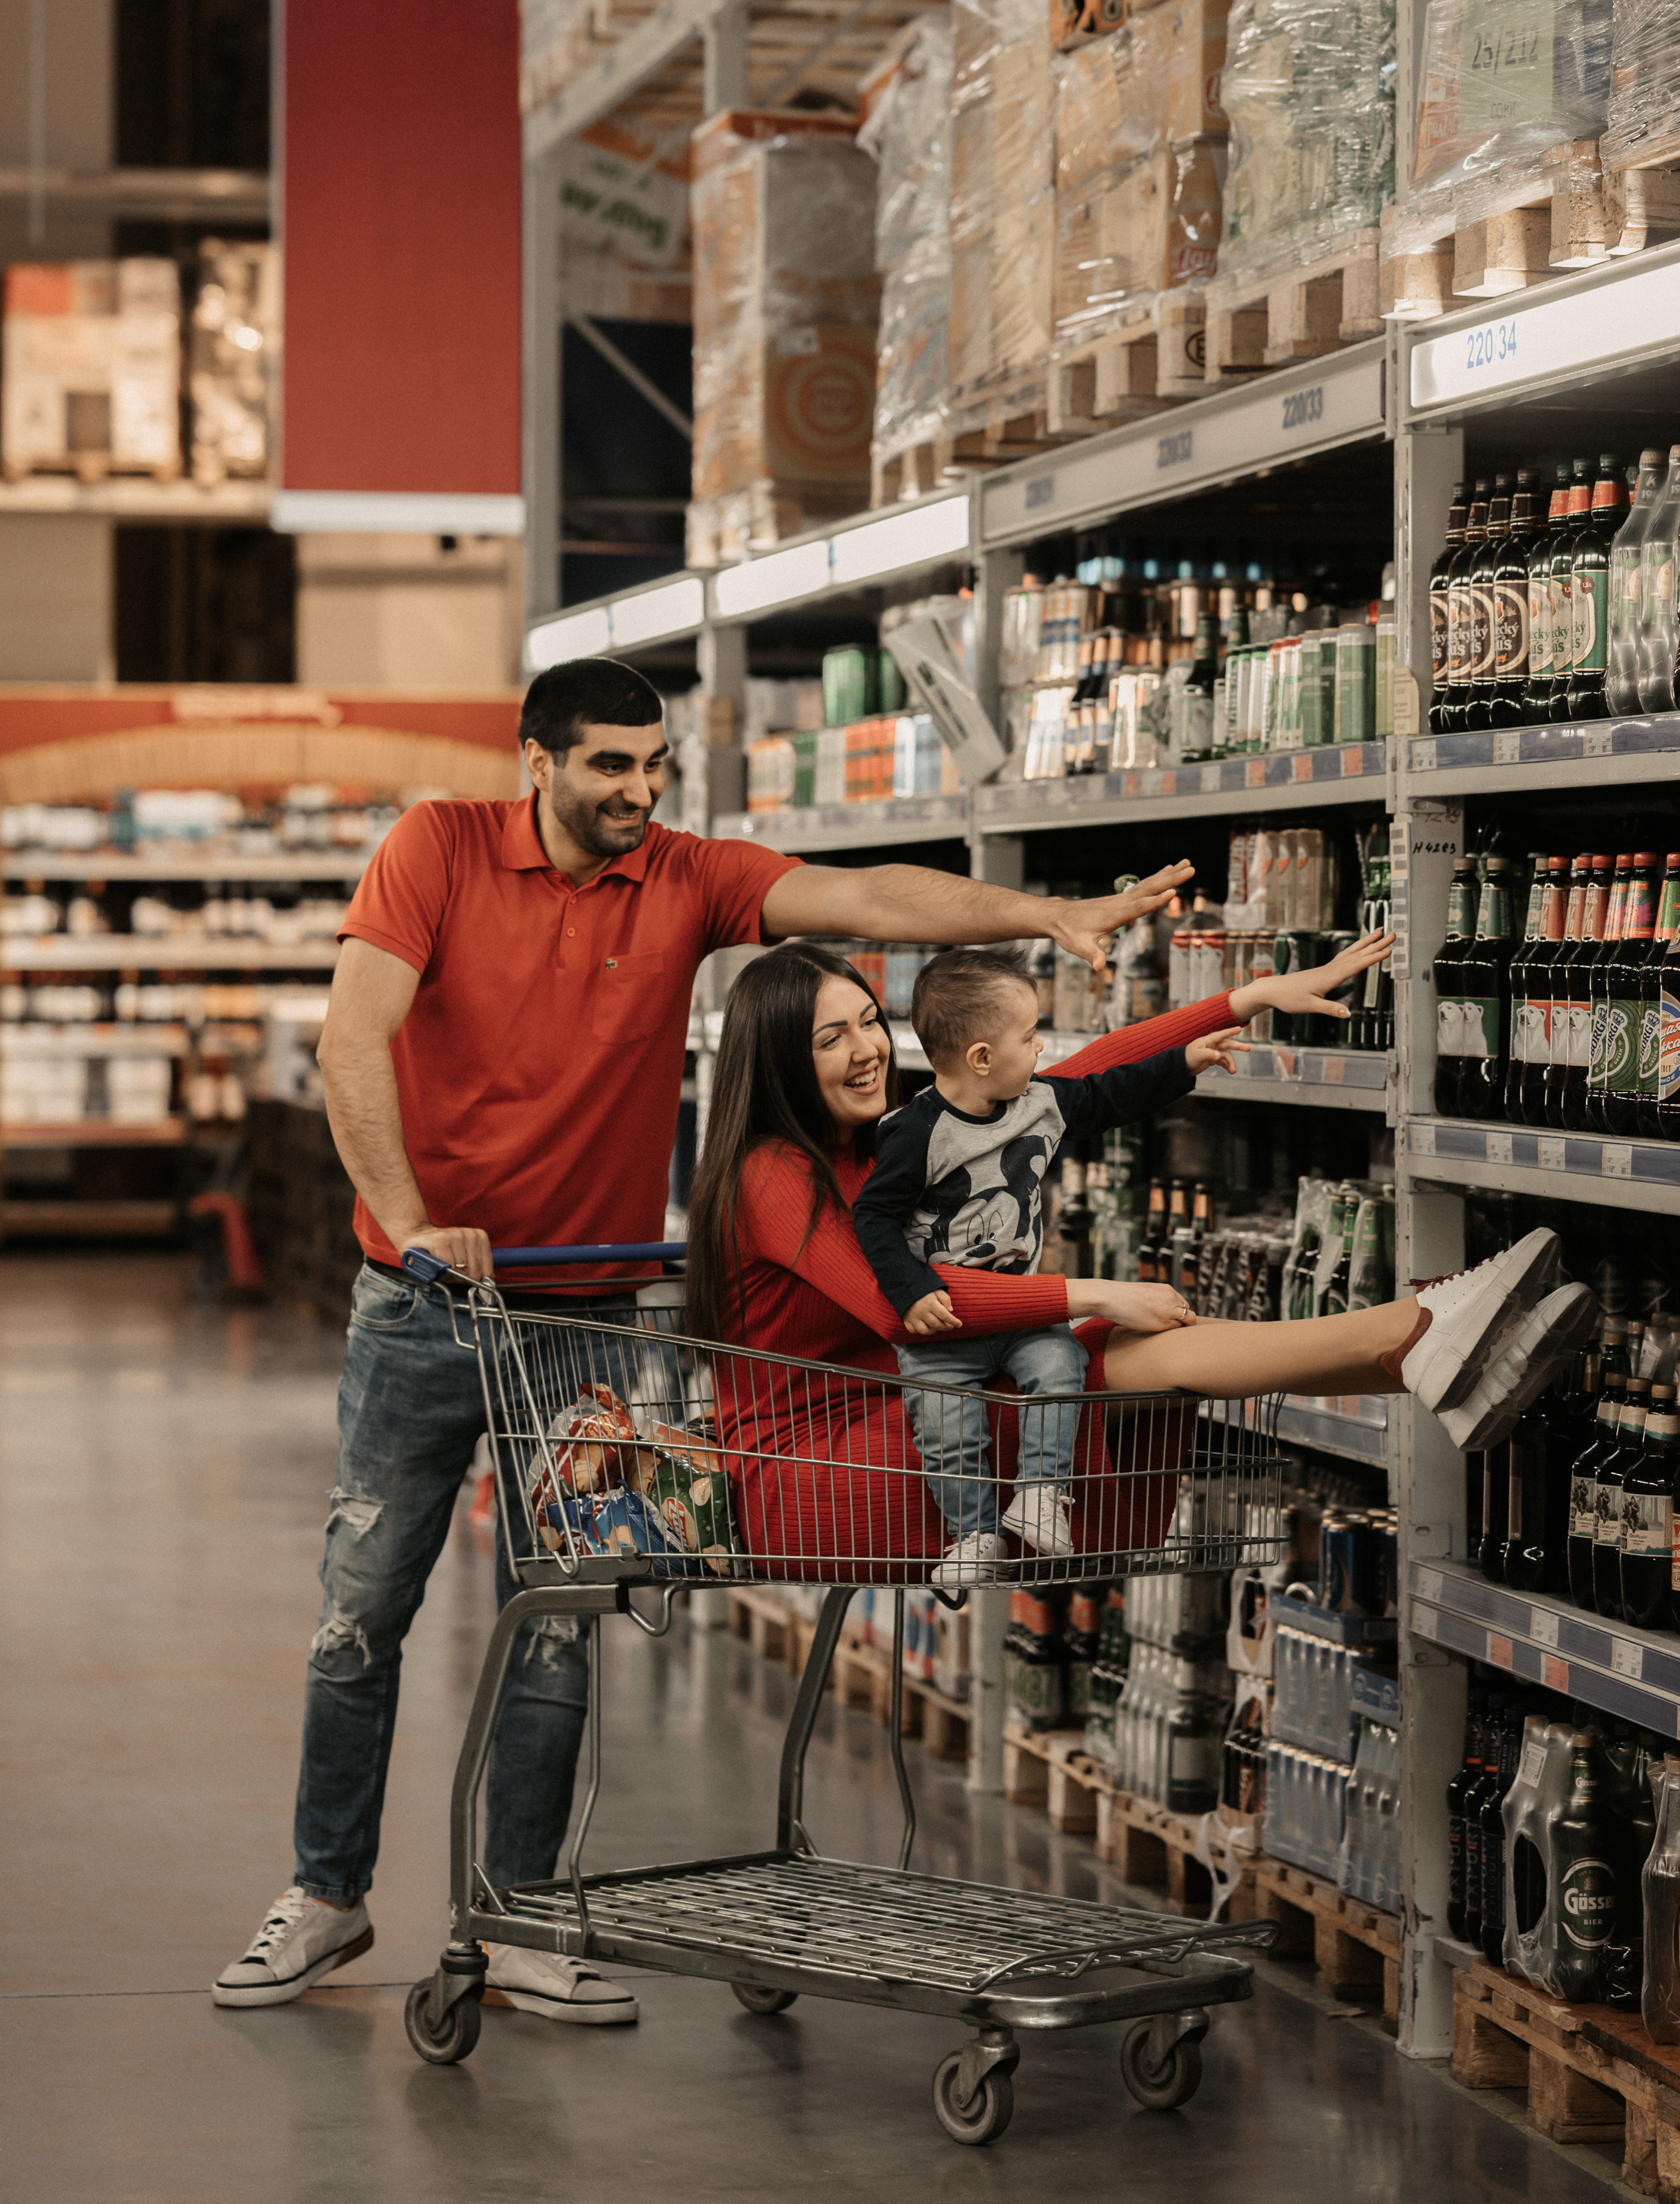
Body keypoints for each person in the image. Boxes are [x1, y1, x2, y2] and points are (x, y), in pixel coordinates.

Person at [214, 656, 1217, 2021]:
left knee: (556, 1619)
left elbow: (867, 898)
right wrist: (412, 1223)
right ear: (537, 763)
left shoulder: (684, 878)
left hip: (578, 1315)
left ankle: (516, 1913)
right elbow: (354, 1044)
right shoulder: (433, 850)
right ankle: (326, 1896)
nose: (638, 790)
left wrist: (1046, 910)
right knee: (359, 1611)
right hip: (422, 1308)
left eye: (652, 764)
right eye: (609, 766)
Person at [683, 939, 1597, 1580]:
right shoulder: (770, 1171)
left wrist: (1245, 999)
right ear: (775, 1059)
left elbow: (1067, 1081)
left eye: (869, 1019)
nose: (868, 1047)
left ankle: (1425, 1349)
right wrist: (1096, 1291)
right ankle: (1419, 1330)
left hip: (905, 1419)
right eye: (830, 1035)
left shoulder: (879, 1143)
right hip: (810, 1474)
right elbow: (899, 1302)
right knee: (1104, 1350)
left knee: (1096, 1352)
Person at [852, 943, 1244, 1577]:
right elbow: (872, 1217)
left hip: (1023, 1311)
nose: (1040, 1049)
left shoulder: (1038, 1102)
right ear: (981, 1058)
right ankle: (972, 1537)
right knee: (948, 1427)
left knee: (1060, 1366)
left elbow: (1107, 1093)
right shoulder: (916, 1134)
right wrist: (911, 1291)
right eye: (1029, 1036)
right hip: (946, 1325)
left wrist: (1182, 1064)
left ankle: (1040, 1496)